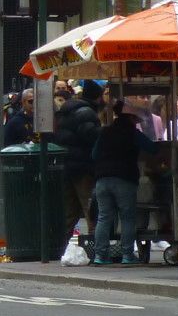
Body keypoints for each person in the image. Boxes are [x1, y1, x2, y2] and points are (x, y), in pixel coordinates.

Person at [90, 99, 158, 265]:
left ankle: (100, 255)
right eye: (135, 119)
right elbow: (153, 149)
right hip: (124, 179)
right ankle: (127, 255)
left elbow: (94, 154)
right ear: (130, 118)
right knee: (127, 217)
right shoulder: (133, 133)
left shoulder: (105, 132)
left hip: (102, 180)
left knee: (104, 217)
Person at [53, 81, 105, 243]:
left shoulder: (68, 110)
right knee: (91, 208)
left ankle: (59, 246)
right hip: (83, 167)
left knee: (70, 211)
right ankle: (95, 246)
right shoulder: (87, 113)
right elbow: (90, 135)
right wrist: (104, 131)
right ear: (97, 97)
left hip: (67, 165)